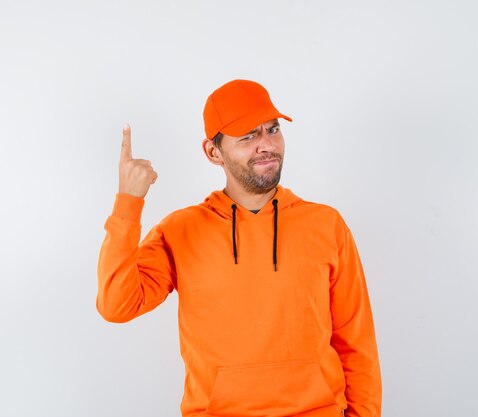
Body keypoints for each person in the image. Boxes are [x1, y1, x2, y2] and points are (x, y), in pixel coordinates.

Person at [97, 79, 382, 417]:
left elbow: (356, 343)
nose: (266, 145)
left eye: (272, 130)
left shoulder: (326, 224)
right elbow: (117, 305)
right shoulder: (180, 230)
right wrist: (129, 202)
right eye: (248, 136)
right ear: (213, 152)